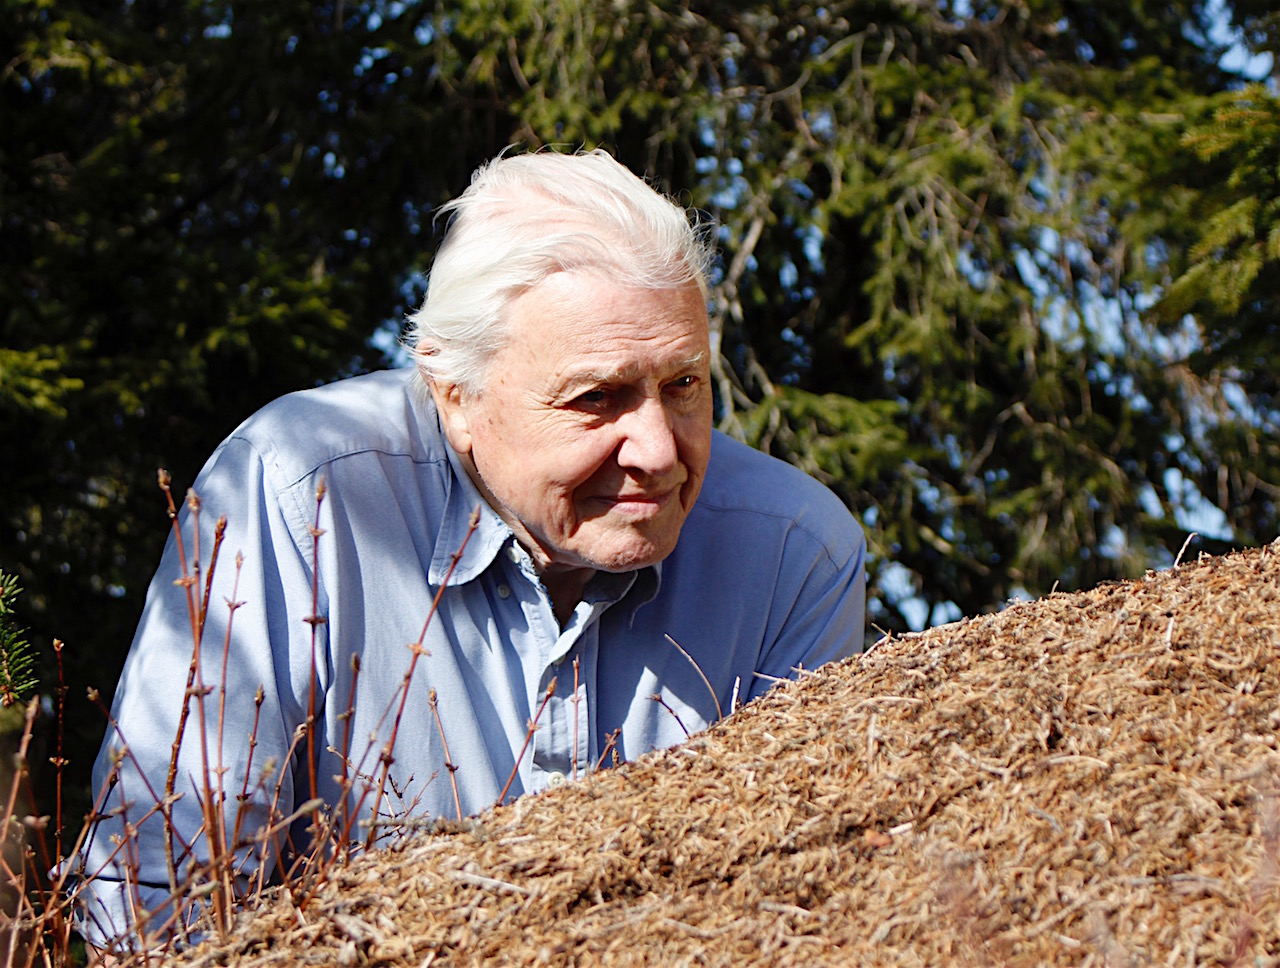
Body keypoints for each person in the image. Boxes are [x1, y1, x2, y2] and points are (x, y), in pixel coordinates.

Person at [71, 149, 867, 953]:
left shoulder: (793, 556)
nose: (658, 451)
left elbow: (795, 916)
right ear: (456, 396)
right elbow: (151, 910)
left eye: (684, 385)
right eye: (599, 397)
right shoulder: (300, 495)